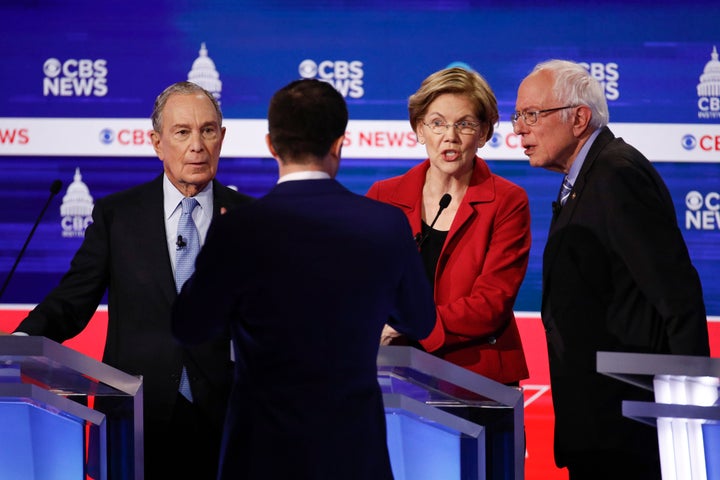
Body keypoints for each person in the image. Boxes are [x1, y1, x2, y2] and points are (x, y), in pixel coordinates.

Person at [171, 78, 436, 480]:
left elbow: (189, 325)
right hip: (352, 452)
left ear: (271, 145)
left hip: (261, 456)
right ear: (338, 143)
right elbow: (421, 322)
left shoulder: (239, 229)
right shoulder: (384, 224)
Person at [11, 81, 253, 479]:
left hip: (228, 423)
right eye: (182, 132)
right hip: (135, 421)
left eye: (208, 130)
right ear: (157, 143)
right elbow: (72, 301)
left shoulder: (250, 219)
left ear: (222, 138)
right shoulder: (118, 216)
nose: (198, 145)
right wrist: (19, 345)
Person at [513, 59, 711, 480]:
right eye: (518, 116)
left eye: (531, 115)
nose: (518, 129)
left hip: (629, 431)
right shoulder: (588, 176)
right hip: (602, 424)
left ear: (579, 118)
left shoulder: (616, 174)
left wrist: (691, 417)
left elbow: (676, 293)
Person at [366, 67, 532, 386]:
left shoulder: (508, 201)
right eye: (437, 123)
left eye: (465, 124)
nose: (450, 136)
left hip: (476, 376)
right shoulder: (383, 196)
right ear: (419, 129)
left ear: (484, 133)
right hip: (394, 371)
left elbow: (492, 303)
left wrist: (413, 323)